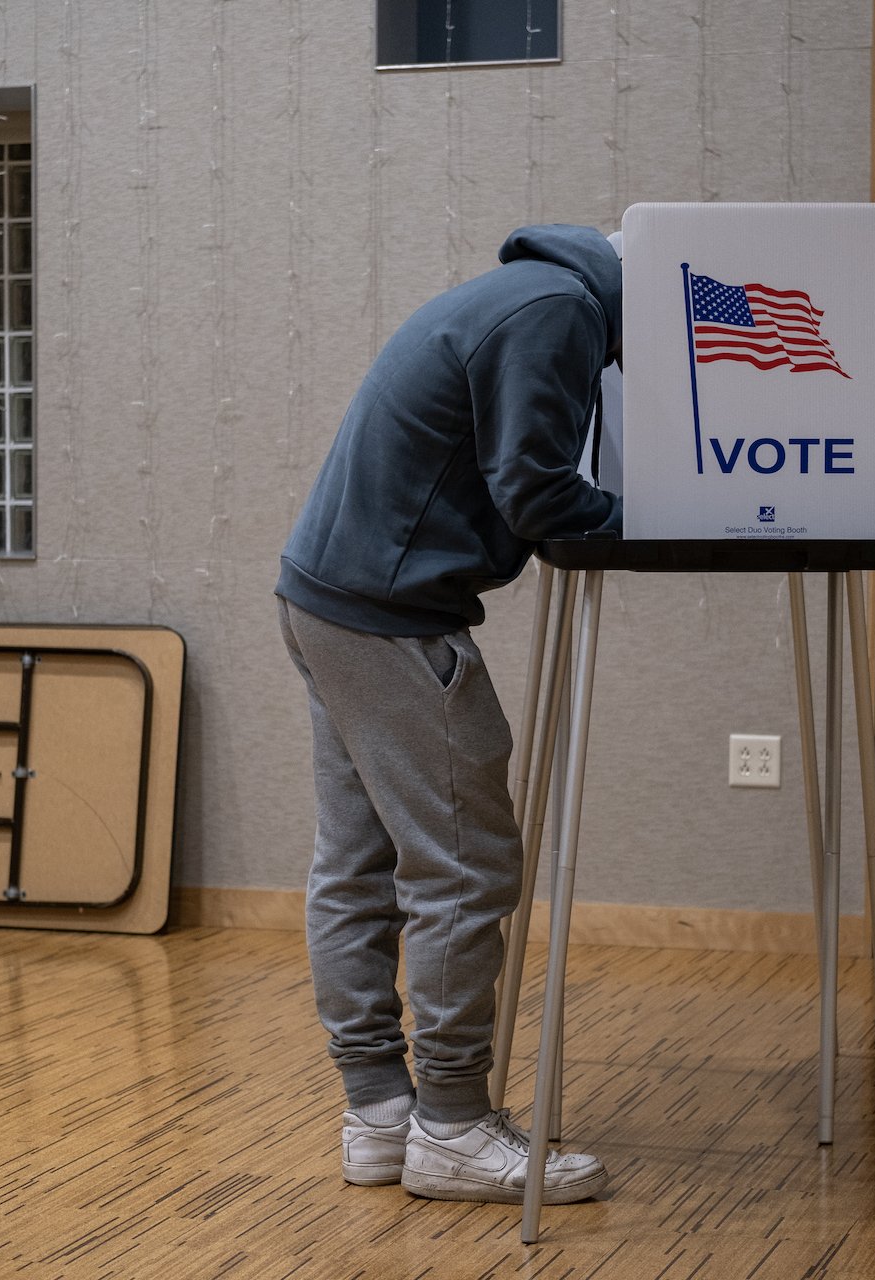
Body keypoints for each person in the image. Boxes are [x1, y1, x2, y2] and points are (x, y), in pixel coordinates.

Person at [275, 224, 621, 1204]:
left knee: (358, 866)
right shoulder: (563, 313)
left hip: (322, 600)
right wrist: (661, 513)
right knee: (466, 868)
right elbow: (540, 492)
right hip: (390, 621)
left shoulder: (518, 294)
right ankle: (457, 1127)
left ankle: (381, 1115)